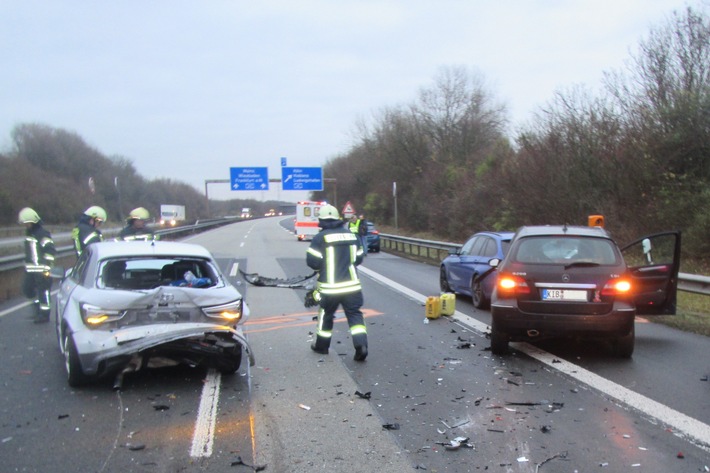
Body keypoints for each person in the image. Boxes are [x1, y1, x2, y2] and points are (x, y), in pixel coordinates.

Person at [306, 205, 368, 361]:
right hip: (352, 287)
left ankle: (322, 346)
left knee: (326, 315)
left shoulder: (320, 238)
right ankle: (361, 345)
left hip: (330, 288)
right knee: (355, 316)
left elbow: (312, 262)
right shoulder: (351, 236)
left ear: (321, 220)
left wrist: (324, 266)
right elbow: (359, 259)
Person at [18, 207, 56, 323]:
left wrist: (46, 267)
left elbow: (50, 251)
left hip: (42, 270)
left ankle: (44, 314)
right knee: (27, 289)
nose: (26, 225)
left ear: (32, 221)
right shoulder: (30, 234)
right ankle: (37, 308)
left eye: (27, 223)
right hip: (30, 270)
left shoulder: (42, 234)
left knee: (43, 291)